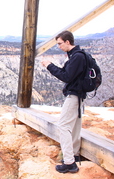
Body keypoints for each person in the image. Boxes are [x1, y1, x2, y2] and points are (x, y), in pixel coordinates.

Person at [41, 30, 86, 174]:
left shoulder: (77, 57)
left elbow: (66, 76)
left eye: (60, 43)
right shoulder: (76, 55)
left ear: (68, 42)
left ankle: (69, 163)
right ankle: (74, 155)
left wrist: (49, 65)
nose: (59, 46)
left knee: (63, 125)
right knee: (74, 126)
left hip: (74, 95)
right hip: (78, 95)